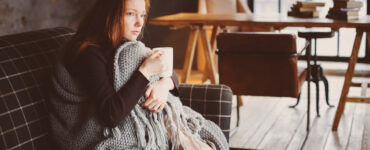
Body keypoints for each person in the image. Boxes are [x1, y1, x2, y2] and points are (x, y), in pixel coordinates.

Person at [48, 0, 228, 149]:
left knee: (137, 58)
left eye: (142, 15)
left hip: (126, 116)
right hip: (88, 131)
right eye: (130, 14)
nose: (139, 23)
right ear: (109, 14)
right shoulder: (90, 54)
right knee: (134, 57)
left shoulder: (120, 43)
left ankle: (179, 135)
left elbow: (171, 74)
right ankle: (181, 138)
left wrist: (163, 85)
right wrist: (146, 70)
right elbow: (111, 115)